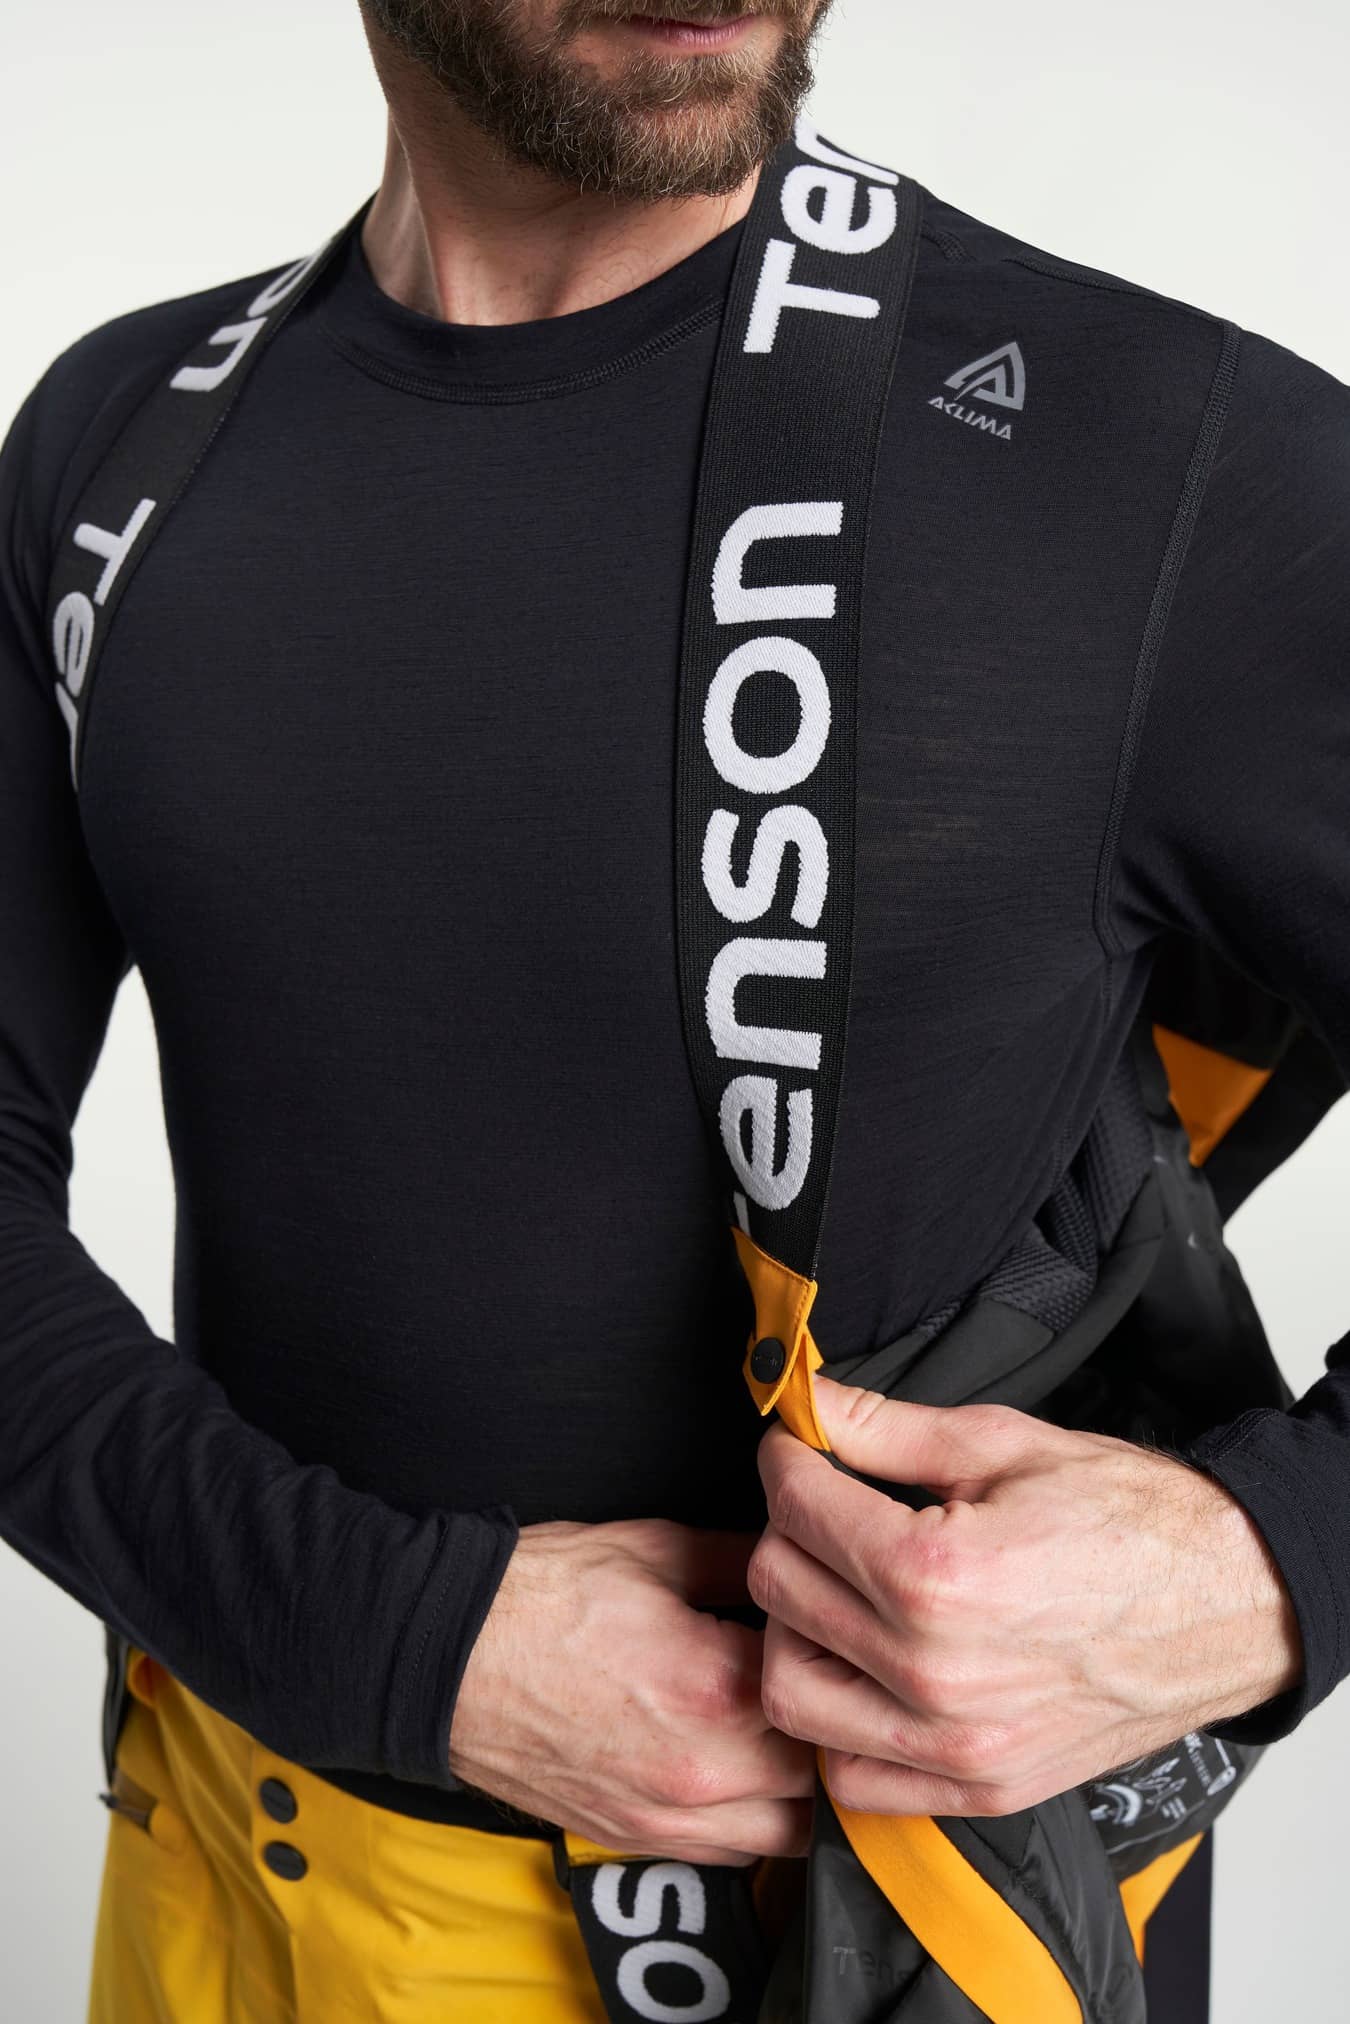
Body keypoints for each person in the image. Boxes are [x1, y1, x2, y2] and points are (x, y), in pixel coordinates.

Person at [1, 1, 1346, 2017]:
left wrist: (1276, 1561)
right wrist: (383, 1636)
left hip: (842, 1943)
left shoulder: (1152, 457)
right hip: (215, 1842)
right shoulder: (125, 441)